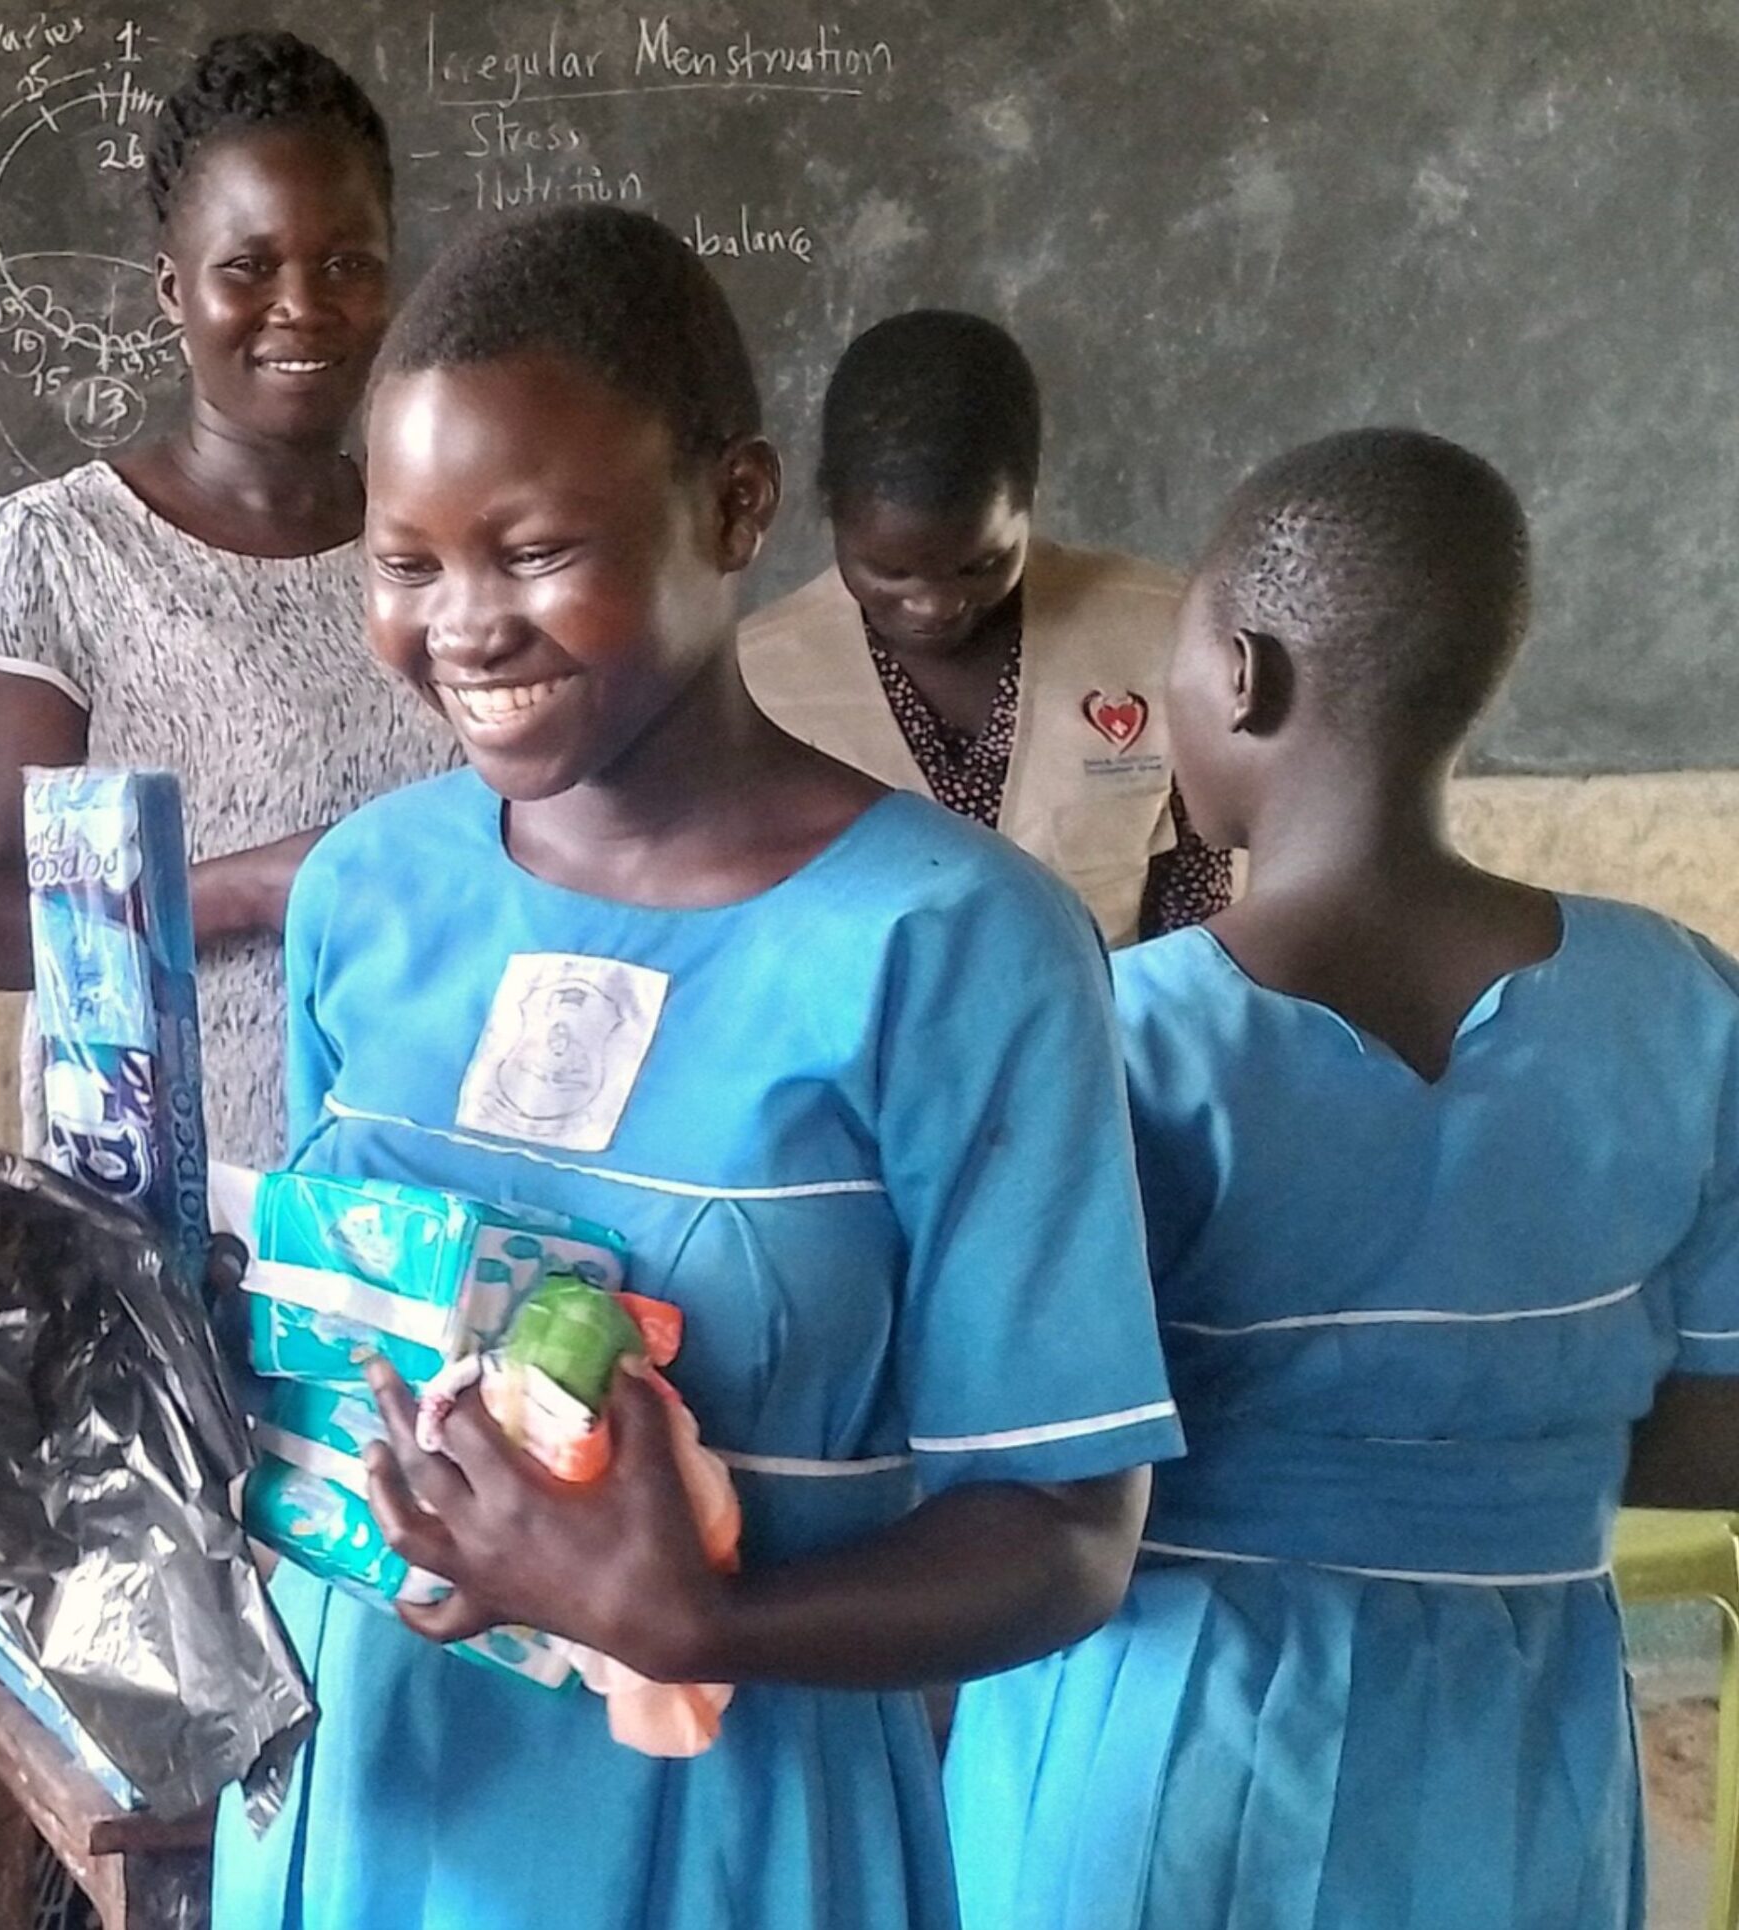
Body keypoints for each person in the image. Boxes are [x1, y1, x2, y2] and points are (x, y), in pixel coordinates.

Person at [213, 204, 1184, 1930]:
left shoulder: (957, 947)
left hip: (732, 1819)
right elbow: (348, 1345)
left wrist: (697, 1624)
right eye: (407, 561)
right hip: (379, 1787)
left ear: (734, 508)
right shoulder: (369, 889)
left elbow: (1065, 1534)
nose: (465, 626)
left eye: (533, 550)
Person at [941, 429, 1739, 1930]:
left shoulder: (1114, 1034)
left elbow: (1009, 1451)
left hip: (1152, 1726)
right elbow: (1717, 1437)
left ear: (1240, 675)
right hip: (1510, 1741)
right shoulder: (1689, 1006)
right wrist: (1473, 1475)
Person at [0, 30, 449, 1168]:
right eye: (248, 267)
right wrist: (262, 884)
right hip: (164, 1212)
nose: (301, 306)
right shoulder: (53, 557)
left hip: (418, 1204)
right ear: (174, 288)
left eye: (347, 263)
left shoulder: (449, 550)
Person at [740, 310, 1232, 944]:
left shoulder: (1161, 629)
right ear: (831, 511)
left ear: (1028, 499)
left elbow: (1197, 913)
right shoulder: (756, 680)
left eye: (982, 564)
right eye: (889, 571)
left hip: (1113, 1033)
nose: (934, 604)